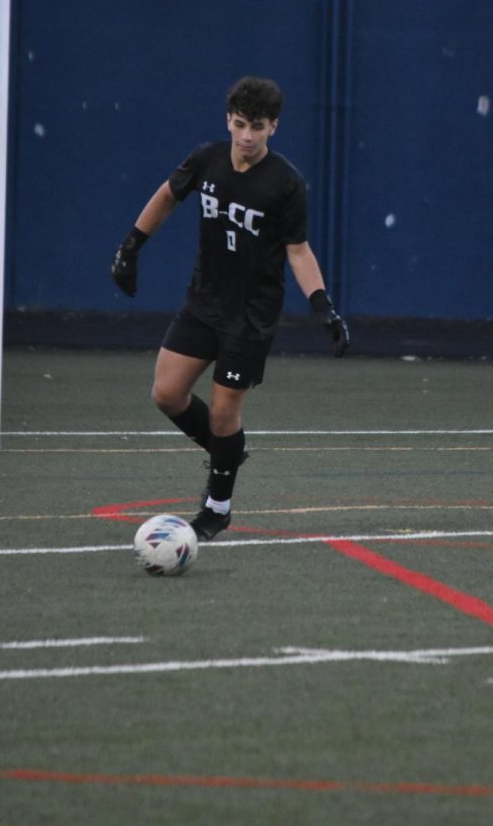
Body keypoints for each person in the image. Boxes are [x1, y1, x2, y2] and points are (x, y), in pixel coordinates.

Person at [110, 76, 349, 541]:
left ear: (273, 127)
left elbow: (298, 251)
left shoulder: (286, 184)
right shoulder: (207, 160)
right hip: (203, 302)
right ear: (228, 120)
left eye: (256, 127)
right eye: (239, 124)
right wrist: (131, 247)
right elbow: (166, 196)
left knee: (223, 414)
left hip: (250, 316)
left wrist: (323, 307)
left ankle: (217, 509)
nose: (246, 135)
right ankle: (228, 451)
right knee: (166, 393)